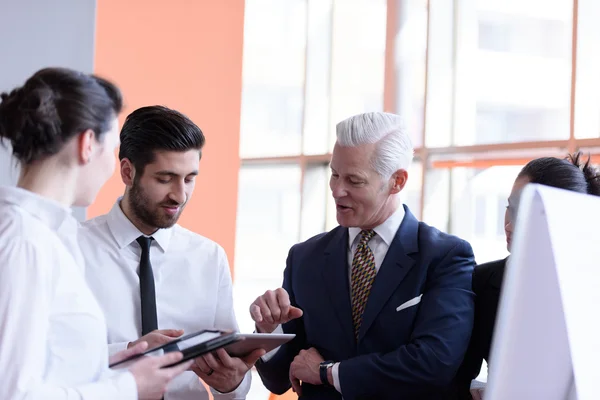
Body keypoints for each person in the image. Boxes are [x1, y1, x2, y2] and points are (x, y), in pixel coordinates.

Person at [249, 112, 476, 399]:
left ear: (397, 181)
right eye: (334, 174)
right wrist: (269, 329)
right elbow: (280, 380)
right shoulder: (304, 257)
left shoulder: (445, 257)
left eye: (354, 180)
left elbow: (433, 363)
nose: (336, 190)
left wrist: (328, 372)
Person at [0, 67, 192, 399]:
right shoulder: (24, 240)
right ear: (88, 144)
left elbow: (42, 361)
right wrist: (129, 387)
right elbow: (13, 391)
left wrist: (119, 359)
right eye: (114, 145)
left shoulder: (49, 235)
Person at [78, 105, 264, 400]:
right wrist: (130, 354)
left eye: (189, 178)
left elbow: (231, 384)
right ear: (128, 172)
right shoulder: (70, 251)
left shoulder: (209, 258)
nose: (179, 195)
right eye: (165, 179)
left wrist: (230, 384)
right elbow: (44, 359)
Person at [453, 152, 600, 400]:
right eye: (510, 208)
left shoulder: (588, 285)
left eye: (525, 211)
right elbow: (459, 377)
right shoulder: (482, 280)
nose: (509, 225)